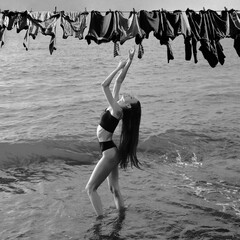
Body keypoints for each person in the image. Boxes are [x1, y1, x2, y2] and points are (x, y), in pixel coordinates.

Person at [85, 47, 141, 217]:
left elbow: (105, 85)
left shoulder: (117, 110)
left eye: (131, 97)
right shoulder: (117, 106)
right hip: (110, 151)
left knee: (90, 188)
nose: (128, 94)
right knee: (113, 188)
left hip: (109, 153)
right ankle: (121, 215)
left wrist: (118, 66)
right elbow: (118, 82)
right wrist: (129, 61)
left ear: (128, 105)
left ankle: (99, 222)